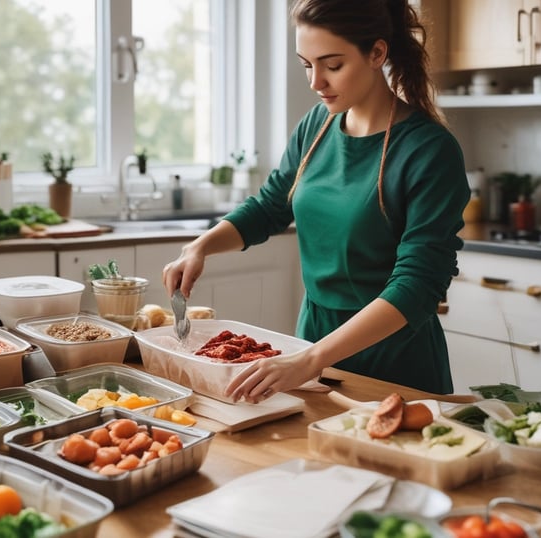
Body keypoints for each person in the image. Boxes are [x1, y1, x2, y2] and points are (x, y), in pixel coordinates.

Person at [162, 0, 469, 400]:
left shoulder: (429, 150)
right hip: (311, 345)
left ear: (377, 53)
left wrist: (311, 359)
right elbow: (272, 205)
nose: (315, 82)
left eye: (332, 65)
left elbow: (418, 284)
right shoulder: (316, 126)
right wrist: (200, 246)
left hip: (394, 361)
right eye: (307, 64)